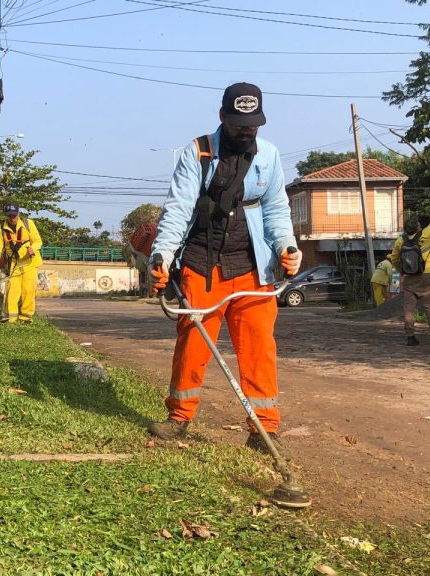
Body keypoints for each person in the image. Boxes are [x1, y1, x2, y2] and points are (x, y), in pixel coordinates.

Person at [147, 82, 300, 454]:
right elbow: (179, 208)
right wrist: (162, 255)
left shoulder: (268, 155)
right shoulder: (198, 152)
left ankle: (264, 428)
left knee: (260, 348)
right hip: (203, 263)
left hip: (252, 266)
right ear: (223, 118)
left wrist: (287, 246)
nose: (246, 130)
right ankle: (179, 417)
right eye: (239, 123)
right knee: (193, 344)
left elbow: (276, 208)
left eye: (253, 123)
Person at [390, 186, 430, 346]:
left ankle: (411, 337)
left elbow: (395, 259)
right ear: (418, 227)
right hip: (426, 277)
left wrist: (401, 271)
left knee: (409, 309)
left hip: (409, 279)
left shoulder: (399, 241)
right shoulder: (426, 235)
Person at [0, 202, 43, 323]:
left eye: (14, 215)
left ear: (18, 214)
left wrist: (33, 248)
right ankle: (11, 319)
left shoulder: (28, 224)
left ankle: (26, 319)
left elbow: (38, 241)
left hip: (30, 263)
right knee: (12, 291)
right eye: (9, 216)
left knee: (28, 291)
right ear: (6, 215)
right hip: (15, 265)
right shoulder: (1, 232)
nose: (12, 218)